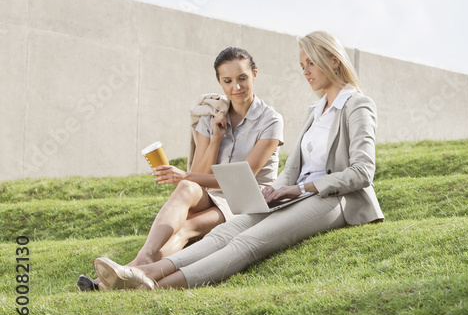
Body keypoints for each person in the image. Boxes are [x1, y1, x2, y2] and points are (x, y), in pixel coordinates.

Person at [93, 31, 383, 290]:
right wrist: (277, 189)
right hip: (293, 195)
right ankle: (142, 271)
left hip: (332, 199)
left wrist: (300, 189)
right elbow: (293, 169)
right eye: (302, 65)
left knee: (247, 242)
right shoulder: (316, 109)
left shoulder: (357, 105)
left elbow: (362, 172)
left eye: (312, 62)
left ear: (334, 61)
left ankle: (151, 287)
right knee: (224, 234)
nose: (306, 71)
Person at [79, 47, 283, 290]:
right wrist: (216, 138)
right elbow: (198, 174)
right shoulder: (212, 116)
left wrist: (184, 174)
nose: (236, 88)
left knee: (187, 226)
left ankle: (122, 275)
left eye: (242, 78)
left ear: (254, 75)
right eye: (227, 81)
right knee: (186, 187)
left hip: (247, 197)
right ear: (219, 81)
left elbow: (244, 178)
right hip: (213, 193)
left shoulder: (271, 120)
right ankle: (142, 260)